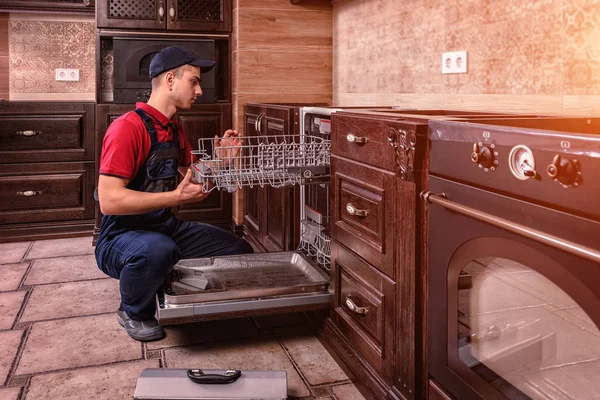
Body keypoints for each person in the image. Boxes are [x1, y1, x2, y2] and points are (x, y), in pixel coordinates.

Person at [95, 46, 253, 342]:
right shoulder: (127, 129)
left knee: (237, 251)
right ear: (170, 80)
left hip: (165, 228)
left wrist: (221, 160)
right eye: (193, 81)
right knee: (157, 251)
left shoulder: (173, 129)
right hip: (120, 237)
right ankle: (133, 310)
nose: (199, 90)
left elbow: (191, 172)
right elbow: (110, 200)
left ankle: (159, 278)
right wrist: (174, 198)